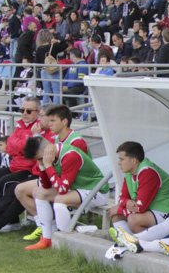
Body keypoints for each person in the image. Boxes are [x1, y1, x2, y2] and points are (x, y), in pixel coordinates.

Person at [19, 105, 106, 251]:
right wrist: (43, 166)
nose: (49, 124)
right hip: (76, 188)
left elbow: (62, 189)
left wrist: (47, 165)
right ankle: (47, 238)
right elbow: (47, 186)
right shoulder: (54, 148)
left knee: (60, 199)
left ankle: (65, 241)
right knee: (40, 193)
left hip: (94, 190)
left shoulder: (71, 152)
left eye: (53, 120)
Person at [0, 97, 52, 235]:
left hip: (28, 169)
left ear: (38, 113)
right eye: (21, 110)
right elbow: (10, 147)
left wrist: (23, 144)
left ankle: (4, 221)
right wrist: (22, 145)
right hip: (17, 165)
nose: (24, 113)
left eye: (29, 111)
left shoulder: (38, 128)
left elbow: (30, 152)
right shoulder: (20, 126)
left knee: (6, 182)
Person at [108, 141, 169, 254]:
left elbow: (139, 208)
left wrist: (120, 208)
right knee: (116, 215)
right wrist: (126, 202)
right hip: (154, 212)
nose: (119, 163)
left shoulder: (147, 172)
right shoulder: (130, 173)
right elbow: (122, 198)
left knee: (134, 220)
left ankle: (141, 247)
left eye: (122, 159)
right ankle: (127, 244)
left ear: (133, 160)